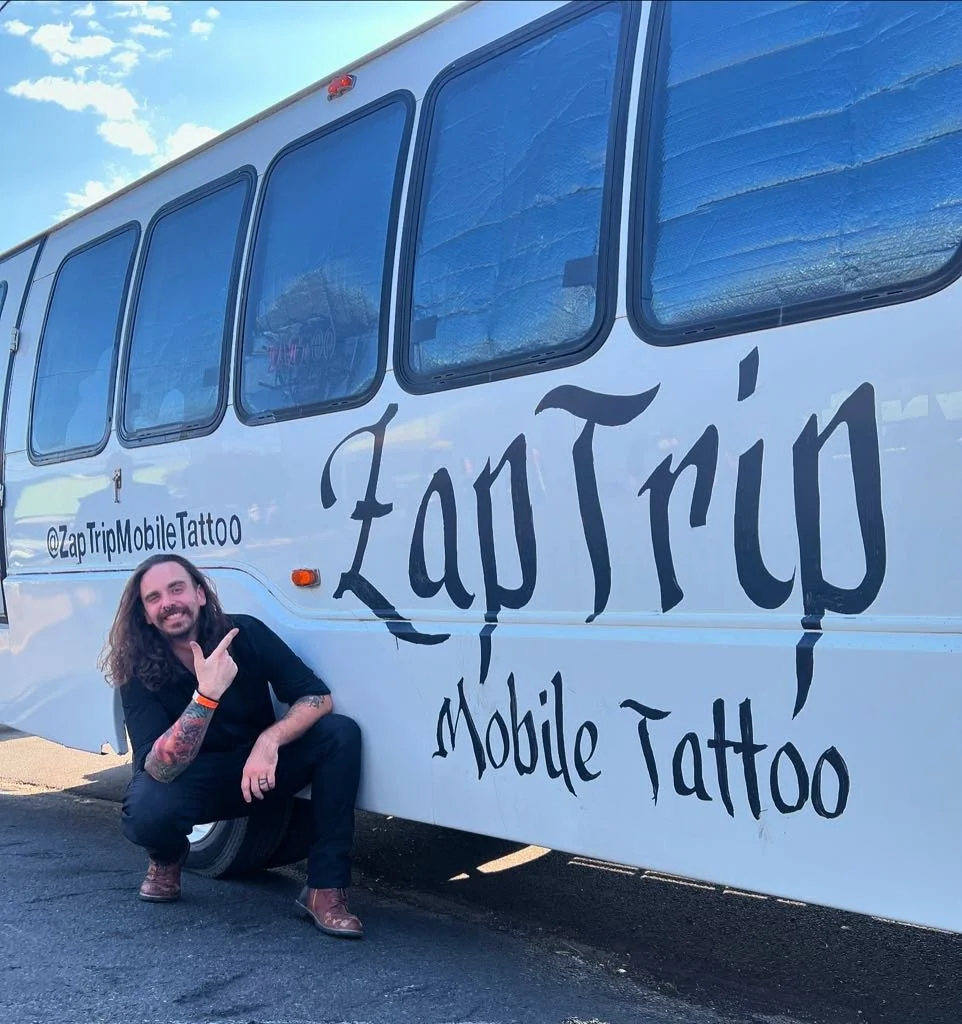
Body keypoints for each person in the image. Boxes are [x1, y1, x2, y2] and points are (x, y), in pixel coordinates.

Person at [100, 553, 364, 939]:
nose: (168, 602)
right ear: (144, 614)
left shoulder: (244, 635)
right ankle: (167, 857)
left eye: (177, 589)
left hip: (257, 773)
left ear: (200, 595)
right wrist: (206, 695)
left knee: (339, 734)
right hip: (194, 782)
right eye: (154, 597)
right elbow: (158, 768)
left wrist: (269, 739)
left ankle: (325, 890)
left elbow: (317, 697)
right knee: (146, 808)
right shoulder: (137, 671)